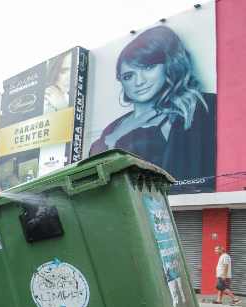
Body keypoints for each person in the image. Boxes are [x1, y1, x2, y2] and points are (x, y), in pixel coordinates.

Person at [88, 26, 216, 194]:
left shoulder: (198, 106)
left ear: (169, 65)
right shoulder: (112, 127)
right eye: (128, 76)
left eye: (149, 67)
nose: (139, 81)